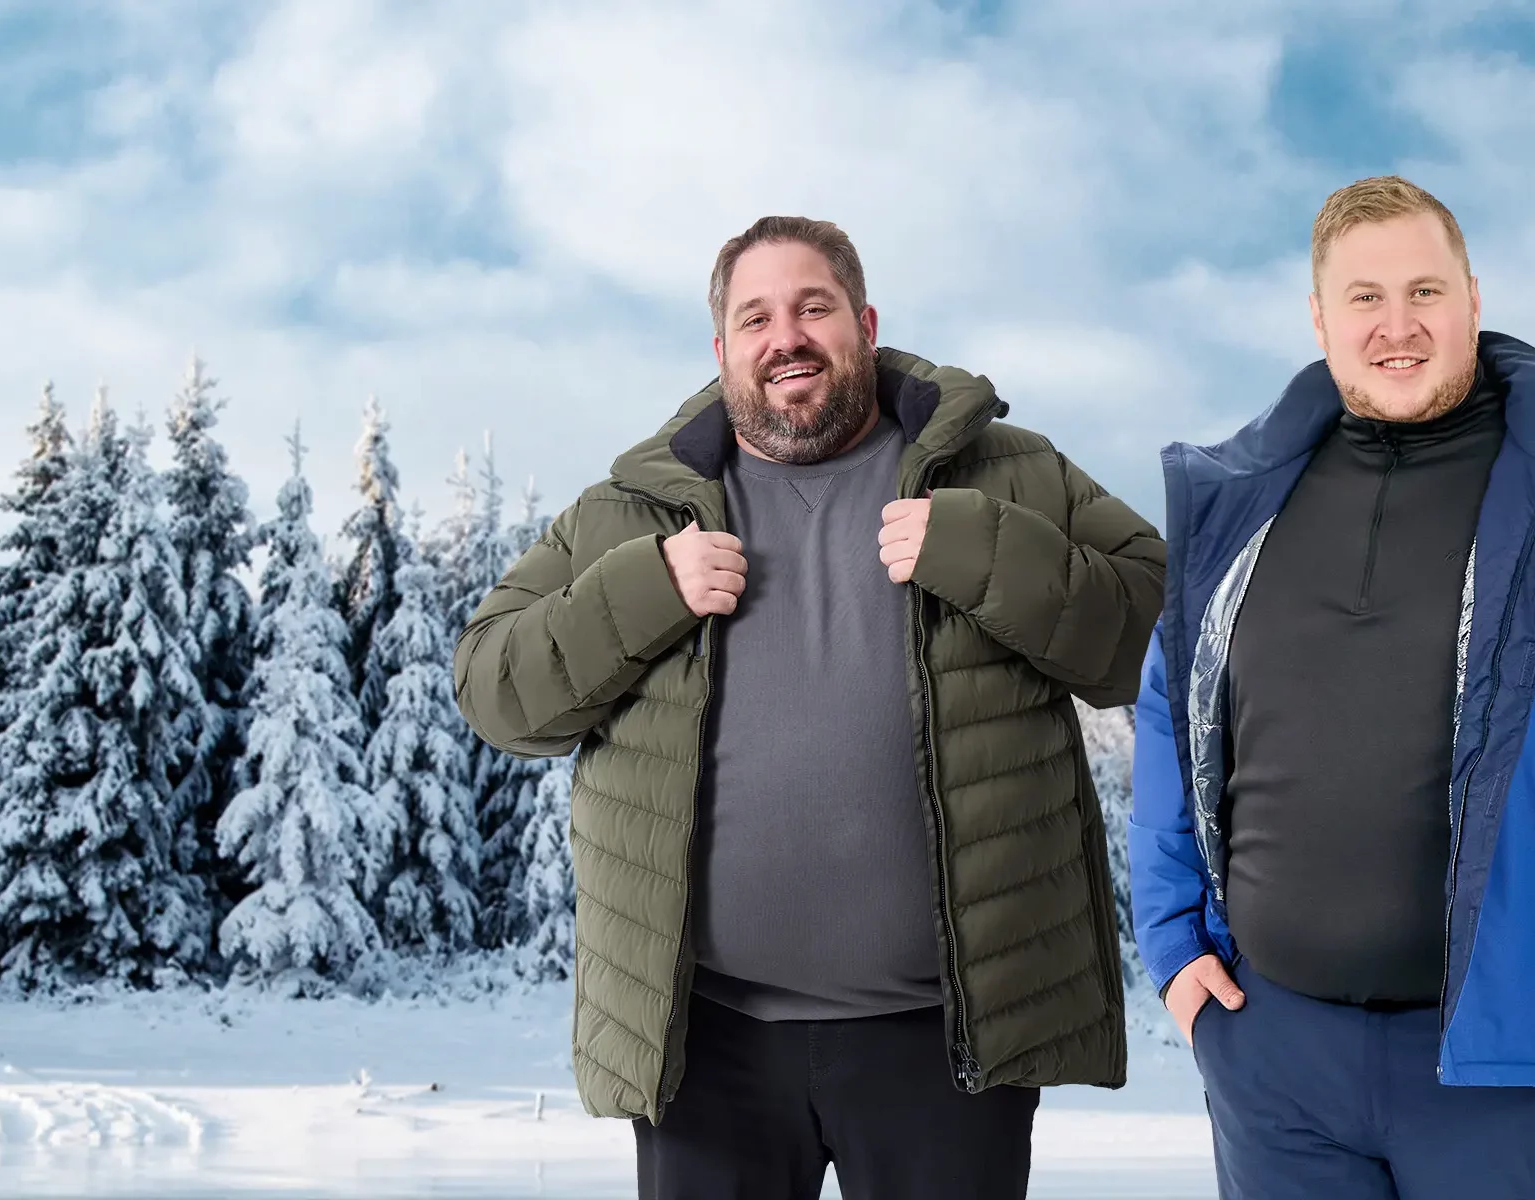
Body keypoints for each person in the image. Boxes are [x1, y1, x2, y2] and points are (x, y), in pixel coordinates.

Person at [454, 215, 1165, 1200]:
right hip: (706, 1052)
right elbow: (493, 691)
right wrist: (644, 588)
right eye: (755, 317)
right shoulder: (632, 511)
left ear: (862, 324)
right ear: (722, 351)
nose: (783, 335)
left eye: (811, 307)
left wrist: (986, 550)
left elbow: (1157, 642)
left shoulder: (1005, 472)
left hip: (946, 1048)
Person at [1131, 175, 1535, 1199]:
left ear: (1472, 299)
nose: (1395, 326)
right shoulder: (1243, 505)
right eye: (1362, 298)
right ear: (1319, 318)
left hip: (1502, 1073)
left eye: (1423, 292)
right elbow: (1168, 709)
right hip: (1275, 1066)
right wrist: (1175, 951)